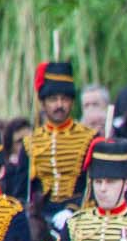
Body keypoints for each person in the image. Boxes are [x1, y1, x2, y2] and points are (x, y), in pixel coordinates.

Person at [9, 60, 97, 216]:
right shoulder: (30, 143)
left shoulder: (89, 138)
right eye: (53, 100)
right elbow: (22, 192)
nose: (59, 105)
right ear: (43, 103)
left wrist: (73, 210)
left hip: (79, 213)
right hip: (42, 216)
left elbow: (93, 186)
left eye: (65, 99)